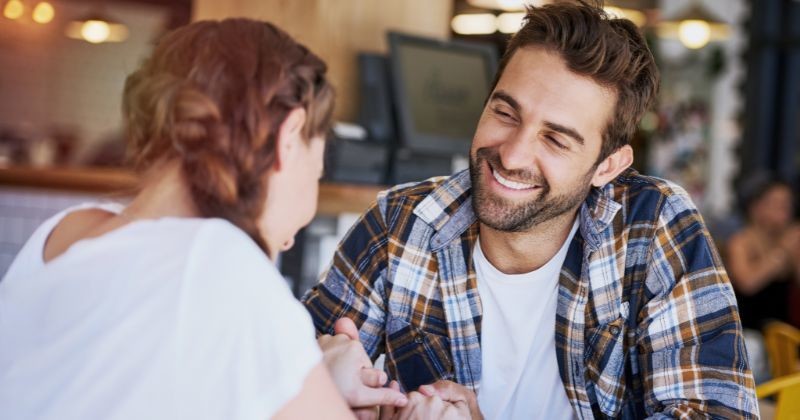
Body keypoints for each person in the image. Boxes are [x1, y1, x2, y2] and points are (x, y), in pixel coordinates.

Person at [303, 1, 758, 418]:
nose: (513, 155)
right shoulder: (399, 223)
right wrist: (328, 391)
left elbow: (717, 412)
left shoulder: (653, 224)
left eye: (555, 139)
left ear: (608, 165)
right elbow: (277, 385)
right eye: (505, 113)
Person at [0, 18, 408, 420]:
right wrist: (322, 381)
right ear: (289, 136)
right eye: (316, 173)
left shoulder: (64, 231)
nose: (288, 240)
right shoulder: (220, 263)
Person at [727, 174, 800, 329]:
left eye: (788, 204)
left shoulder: (791, 238)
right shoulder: (741, 242)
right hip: (748, 330)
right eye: (777, 204)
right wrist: (782, 251)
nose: (785, 210)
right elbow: (747, 283)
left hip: (783, 331)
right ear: (756, 208)